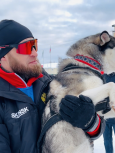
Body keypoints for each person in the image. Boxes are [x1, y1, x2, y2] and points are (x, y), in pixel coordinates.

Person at [0, 19, 108, 153]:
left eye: (34, 45)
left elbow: (97, 129)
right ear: (3, 54)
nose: (34, 53)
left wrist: (89, 121)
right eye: (26, 47)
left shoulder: (52, 84)